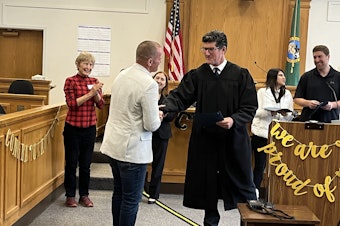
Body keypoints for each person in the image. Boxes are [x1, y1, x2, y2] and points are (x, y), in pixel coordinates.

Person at [162, 30, 258, 226]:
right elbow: (180, 96)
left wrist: (233, 120)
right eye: (204, 49)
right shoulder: (198, 75)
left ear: (223, 49)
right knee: (208, 185)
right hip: (205, 140)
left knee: (241, 185)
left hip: (233, 139)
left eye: (210, 49)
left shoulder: (240, 75)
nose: (206, 53)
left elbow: (250, 107)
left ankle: (246, 222)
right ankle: (210, 222)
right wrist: (163, 108)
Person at [100, 40, 163, 226]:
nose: (161, 62)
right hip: (132, 151)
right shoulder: (149, 84)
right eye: (159, 58)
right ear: (150, 61)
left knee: (119, 193)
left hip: (114, 146)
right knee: (131, 200)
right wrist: (159, 115)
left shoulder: (122, 75)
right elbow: (151, 125)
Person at [63, 51, 104, 207]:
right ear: (78, 64)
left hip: (89, 128)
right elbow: (72, 104)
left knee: (86, 165)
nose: (88, 67)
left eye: (91, 64)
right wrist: (91, 93)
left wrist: (96, 93)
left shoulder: (95, 81)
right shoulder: (70, 81)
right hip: (73, 128)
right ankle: (70, 195)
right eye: (85, 64)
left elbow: (100, 105)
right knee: (72, 163)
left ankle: (84, 195)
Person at [250, 68, 294, 198]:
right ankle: (254, 193)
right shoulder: (262, 92)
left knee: (278, 167)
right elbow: (255, 112)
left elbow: (290, 116)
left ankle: (275, 194)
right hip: (261, 133)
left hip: (279, 135)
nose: (284, 78)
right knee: (259, 165)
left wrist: (285, 114)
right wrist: (270, 112)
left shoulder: (287, 94)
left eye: (284, 75)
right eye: (281, 75)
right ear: (273, 77)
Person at [147, 71, 176, 204]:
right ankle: (139, 190)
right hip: (146, 133)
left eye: (162, 79)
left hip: (161, 135)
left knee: (158, 165)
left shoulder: (168, 99)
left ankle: (153, 194)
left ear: (165, 84)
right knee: (142, 164)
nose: (159, 81)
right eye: (157, 78)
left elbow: (172, 115)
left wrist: (162, 114)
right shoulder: (146, 95)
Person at [294, 45, 340, 122]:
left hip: (331, 121)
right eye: (315, 57)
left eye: (320, 56)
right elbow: (297, 99)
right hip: (308, 120)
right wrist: (308, 103)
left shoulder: (338, 77)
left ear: (328, 57)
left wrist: (332, 105)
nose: (317, 60)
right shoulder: (306, 76)